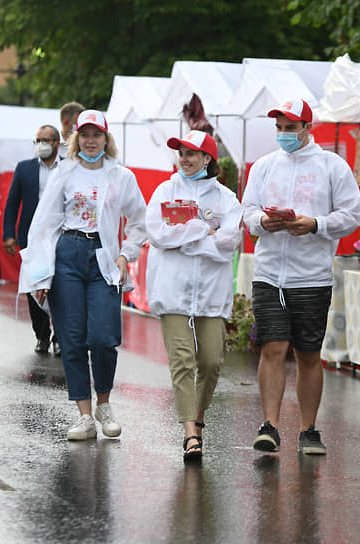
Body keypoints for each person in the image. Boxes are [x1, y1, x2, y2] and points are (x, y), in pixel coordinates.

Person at [242, 99, 360, 455]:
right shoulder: (263, 167)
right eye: (279, 128)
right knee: (273, 347)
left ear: (308, 129)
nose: (283, 135)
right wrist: (263, 222)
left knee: (308, 353)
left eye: (290, 128)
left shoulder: (332, 166)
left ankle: (309, 429)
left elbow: (352, 215)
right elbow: (247, 210)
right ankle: (270, 425)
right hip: (268, 273)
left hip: (312, 275)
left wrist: (316, 225)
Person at [19, 110, 146, 440]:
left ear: (107, 139)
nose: (91, 141)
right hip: (67, 256)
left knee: (104, 337)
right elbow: (44, 226)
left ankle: (104, 402)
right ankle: (85, 415)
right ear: (76, 139)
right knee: (71, 338)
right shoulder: (65, 172)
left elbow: (138, 223)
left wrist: (125, 255)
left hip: (104, 257)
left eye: (97, 135)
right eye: (85, 135)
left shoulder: (122, 176)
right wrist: (40, 276)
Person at [146, 130, 243, 461]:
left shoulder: (226, 199)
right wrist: (205, 230)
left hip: (211, 293)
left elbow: (228, 243)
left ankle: (198, 417)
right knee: (183, 359)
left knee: (211, 360)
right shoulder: (165, 190)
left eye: (191, 153)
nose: (184, 159)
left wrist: (184, 236)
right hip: (172, 289)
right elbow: (158, 234)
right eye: (181, 152)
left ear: (207, 159)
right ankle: (190, 434)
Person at [3, 125, 61, 355]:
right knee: (34, 285)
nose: (41, 144)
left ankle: (60, 337)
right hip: (32, 239)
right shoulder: (24, 168)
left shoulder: (67, 167)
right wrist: (9, 234)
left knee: (58, 288)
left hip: (58, 237)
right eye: (37, 140)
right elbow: (12, 203)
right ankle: (42, 336)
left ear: (57, 143)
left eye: (46, 140)